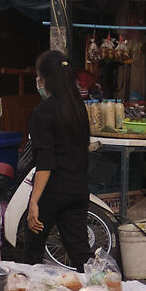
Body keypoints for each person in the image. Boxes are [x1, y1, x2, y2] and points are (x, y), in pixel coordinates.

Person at [22, 49, 94, 266]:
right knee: (81, 253)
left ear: (45, 79)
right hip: (78, 189)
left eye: (39, 76)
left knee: (33, 253)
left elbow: (45, 161)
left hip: (51, 192)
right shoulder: (78, 108)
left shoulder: (42, 112)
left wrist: (34, 201)